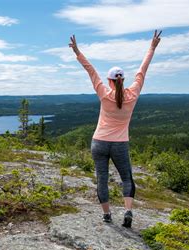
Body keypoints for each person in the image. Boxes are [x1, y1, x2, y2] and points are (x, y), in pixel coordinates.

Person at [69, 30, 162, 228]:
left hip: (99, 142)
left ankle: (107, 215)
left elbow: (90, 70)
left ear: (110, 80)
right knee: (127, 178)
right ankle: (128, 211)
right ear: (123, 80)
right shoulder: (133, 94)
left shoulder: (104, 93)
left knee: (102, 179)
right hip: (120, 144)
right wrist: (152, 47)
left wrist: (77, 51)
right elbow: (142, 70)